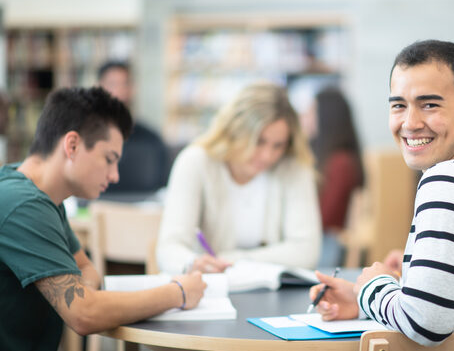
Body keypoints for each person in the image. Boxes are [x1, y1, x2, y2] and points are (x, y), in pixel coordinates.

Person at [309, 40, 454, 347]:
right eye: (398, 105)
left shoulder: (449, 181)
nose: (410, 123)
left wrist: (372, 286)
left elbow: (427, 324)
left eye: (429, 105)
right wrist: (362, 298)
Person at [0, 87, 205, 350]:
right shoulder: (23, 204)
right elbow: (84, 314)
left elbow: (86, 269)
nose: (114, 175)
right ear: (72, 145)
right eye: (109, 159)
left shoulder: (42, 194)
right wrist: (179, 292)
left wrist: (81, 298)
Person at [156, 82, 322, 274]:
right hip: (208, 288)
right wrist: (192, 264)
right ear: (235, 131)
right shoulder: (195, 162)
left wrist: (234, 260)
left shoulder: (293, 168)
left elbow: (307, 252)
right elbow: (169, 249)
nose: (267, 156)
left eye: (278, 145)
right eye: (259, 142)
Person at [302, 87, 364, 267]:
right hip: (321, 241)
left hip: (327, 244)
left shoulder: (340, 162)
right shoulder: (327, 157)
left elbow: (325, 217)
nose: (305, 117)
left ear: (326, 116)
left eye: (312, 111)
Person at [97, 61, 169, 194]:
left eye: (125, 84)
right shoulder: (87, 139)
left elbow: (163, 187)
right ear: (99, 87)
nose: (119, 91)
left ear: (133, 88)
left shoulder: (151, 139)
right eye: (113, 84)